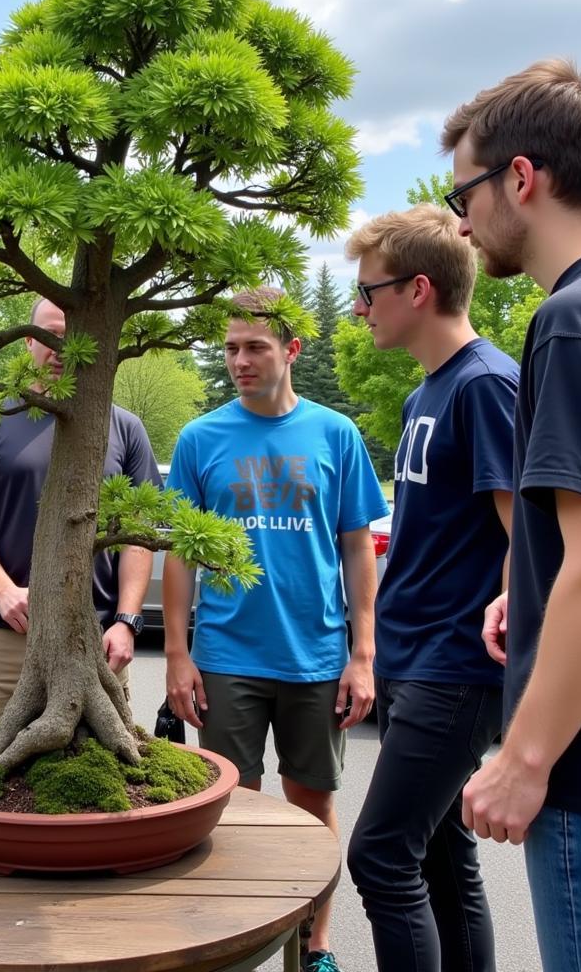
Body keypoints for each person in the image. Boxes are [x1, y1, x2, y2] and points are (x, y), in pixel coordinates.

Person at [163, 287, 388, 972]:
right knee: (232, 807)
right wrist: (177, 652)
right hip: (228, 655)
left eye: (255, 347)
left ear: (291, 350)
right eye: (231, 348)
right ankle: (240, 942)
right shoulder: (201, 438)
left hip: (317, 656)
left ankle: (314, 946)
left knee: (312, 804)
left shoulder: (335, 434)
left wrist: (363, 655)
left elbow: (357, 547)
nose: (239, 360)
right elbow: (180, 554)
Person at [344, 205, 518, 971]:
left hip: (457, 669)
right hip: (414, 664)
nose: (358, 307)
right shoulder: (426, 396)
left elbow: (533, 540)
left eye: (368, 290)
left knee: (380, 857)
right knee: (444, 863)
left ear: (417, 289)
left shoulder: (487, 387)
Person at [441, 58, 581, 971]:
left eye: (464, 192)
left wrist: (524, 759)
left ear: (520, 179)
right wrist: (523, 592)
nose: (459, 220)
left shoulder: (565, 323)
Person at [0, 296, 161, 734]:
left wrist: (127, 621)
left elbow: (138, 534)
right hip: (9, 635)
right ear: (28, 342)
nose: (61, 348)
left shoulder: (124, 427)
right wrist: (3, 591)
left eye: (76, 337)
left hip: (98, 637)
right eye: (51, 335)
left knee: (99, 782)